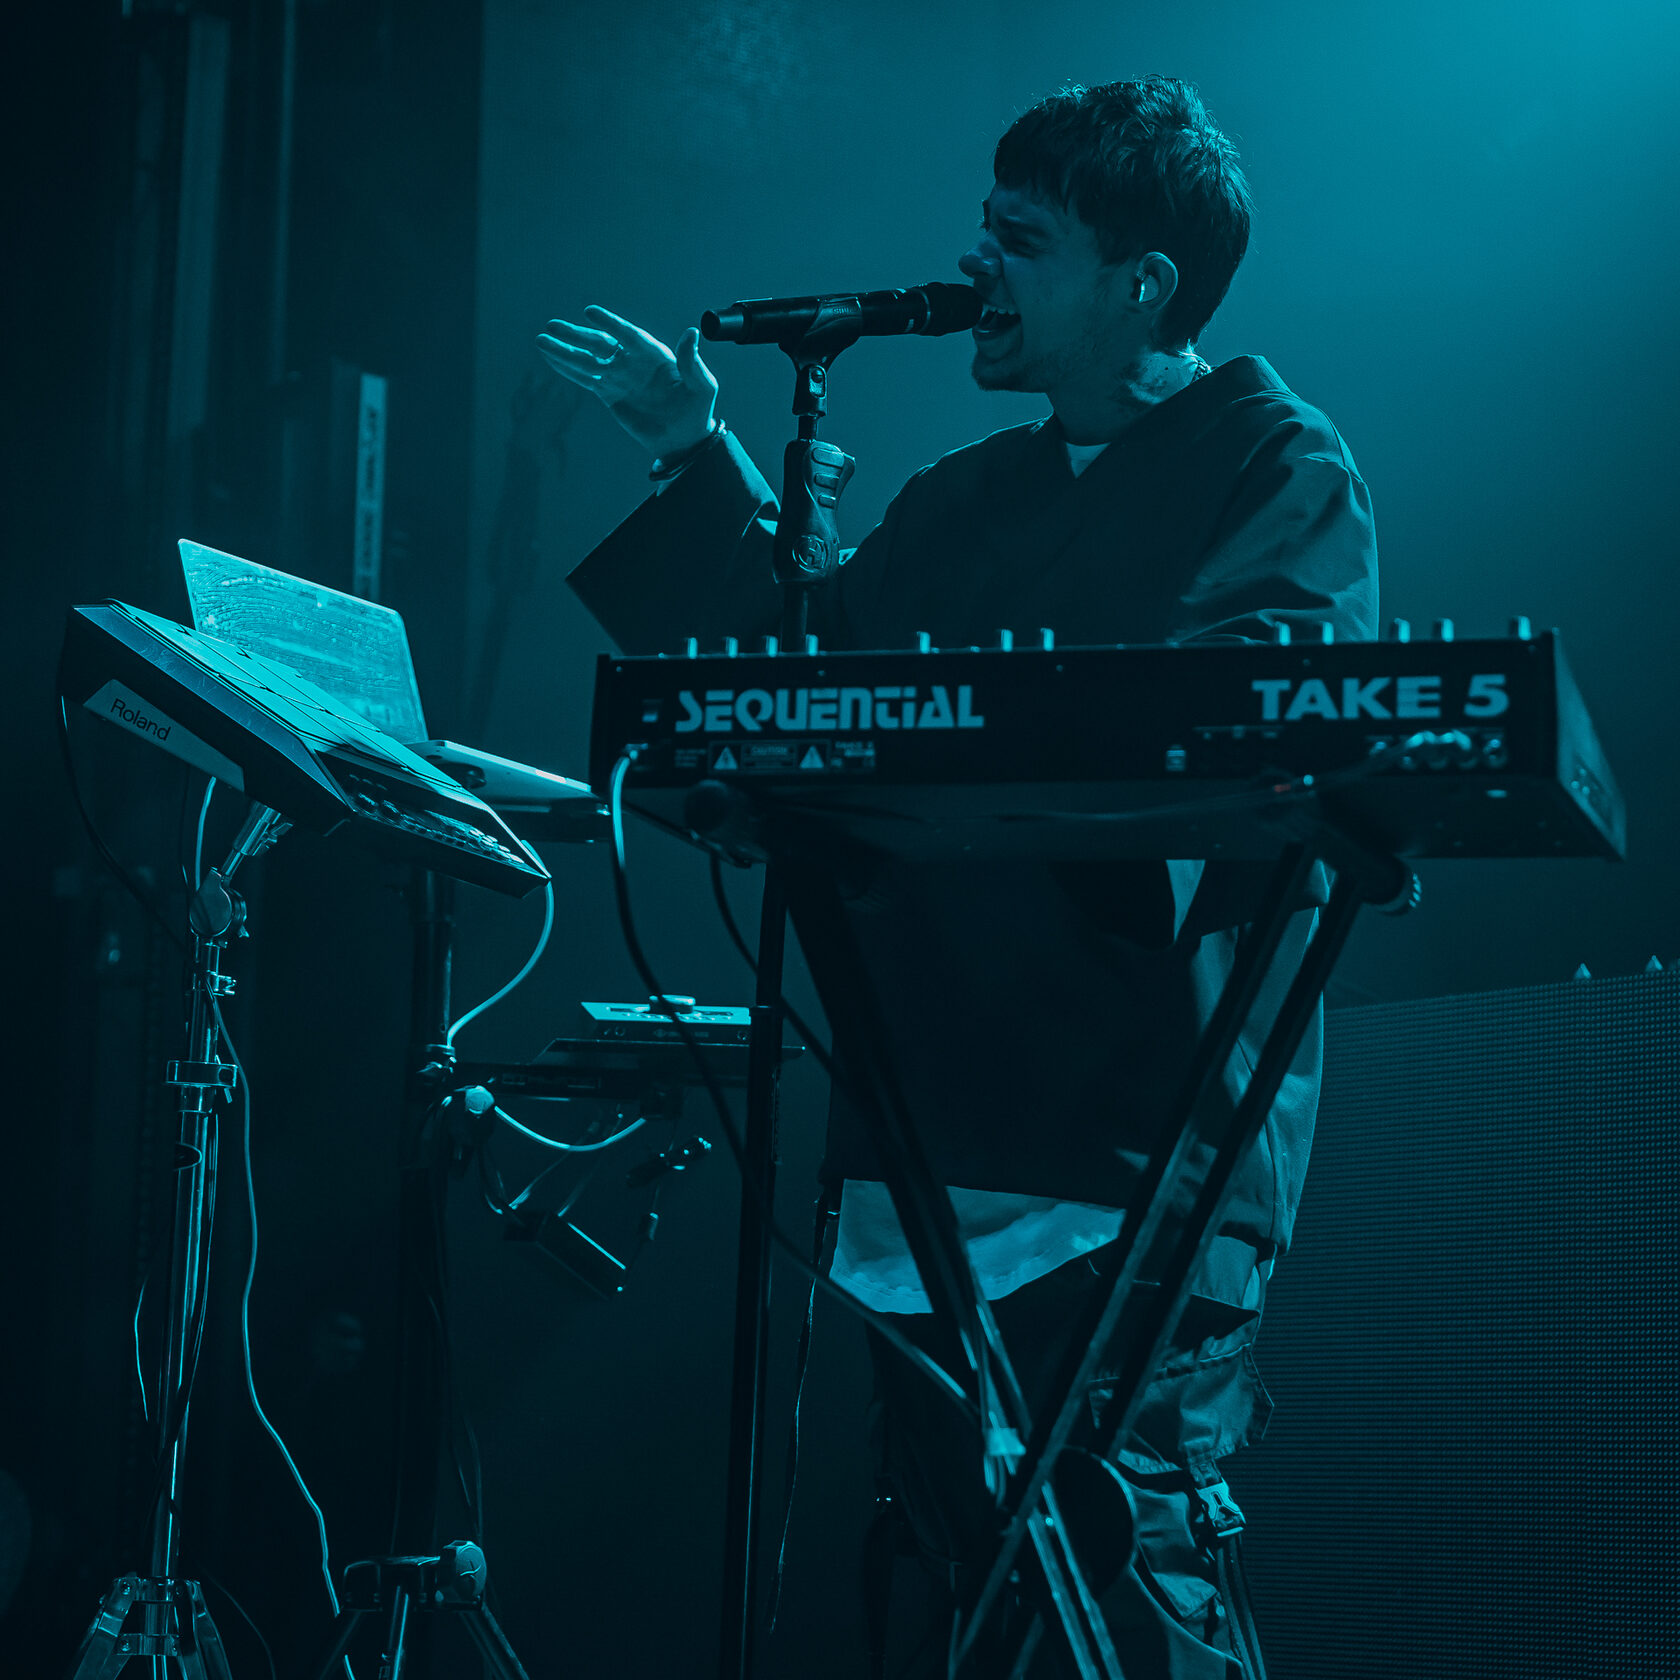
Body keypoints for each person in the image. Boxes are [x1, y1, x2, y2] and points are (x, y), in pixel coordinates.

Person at [540, 76, 1376, 1680]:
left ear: (1143, 280)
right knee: (950, 1588)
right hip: (928, 1138)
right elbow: (787, 677)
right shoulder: (967, 497)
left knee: (1124, 1577)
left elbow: (1252, 733)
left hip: (1130, 1136)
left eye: (1022, 239)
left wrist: (974, 750)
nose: (976, 265)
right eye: (983, 230)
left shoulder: (1277, 461)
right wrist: (694, 450)